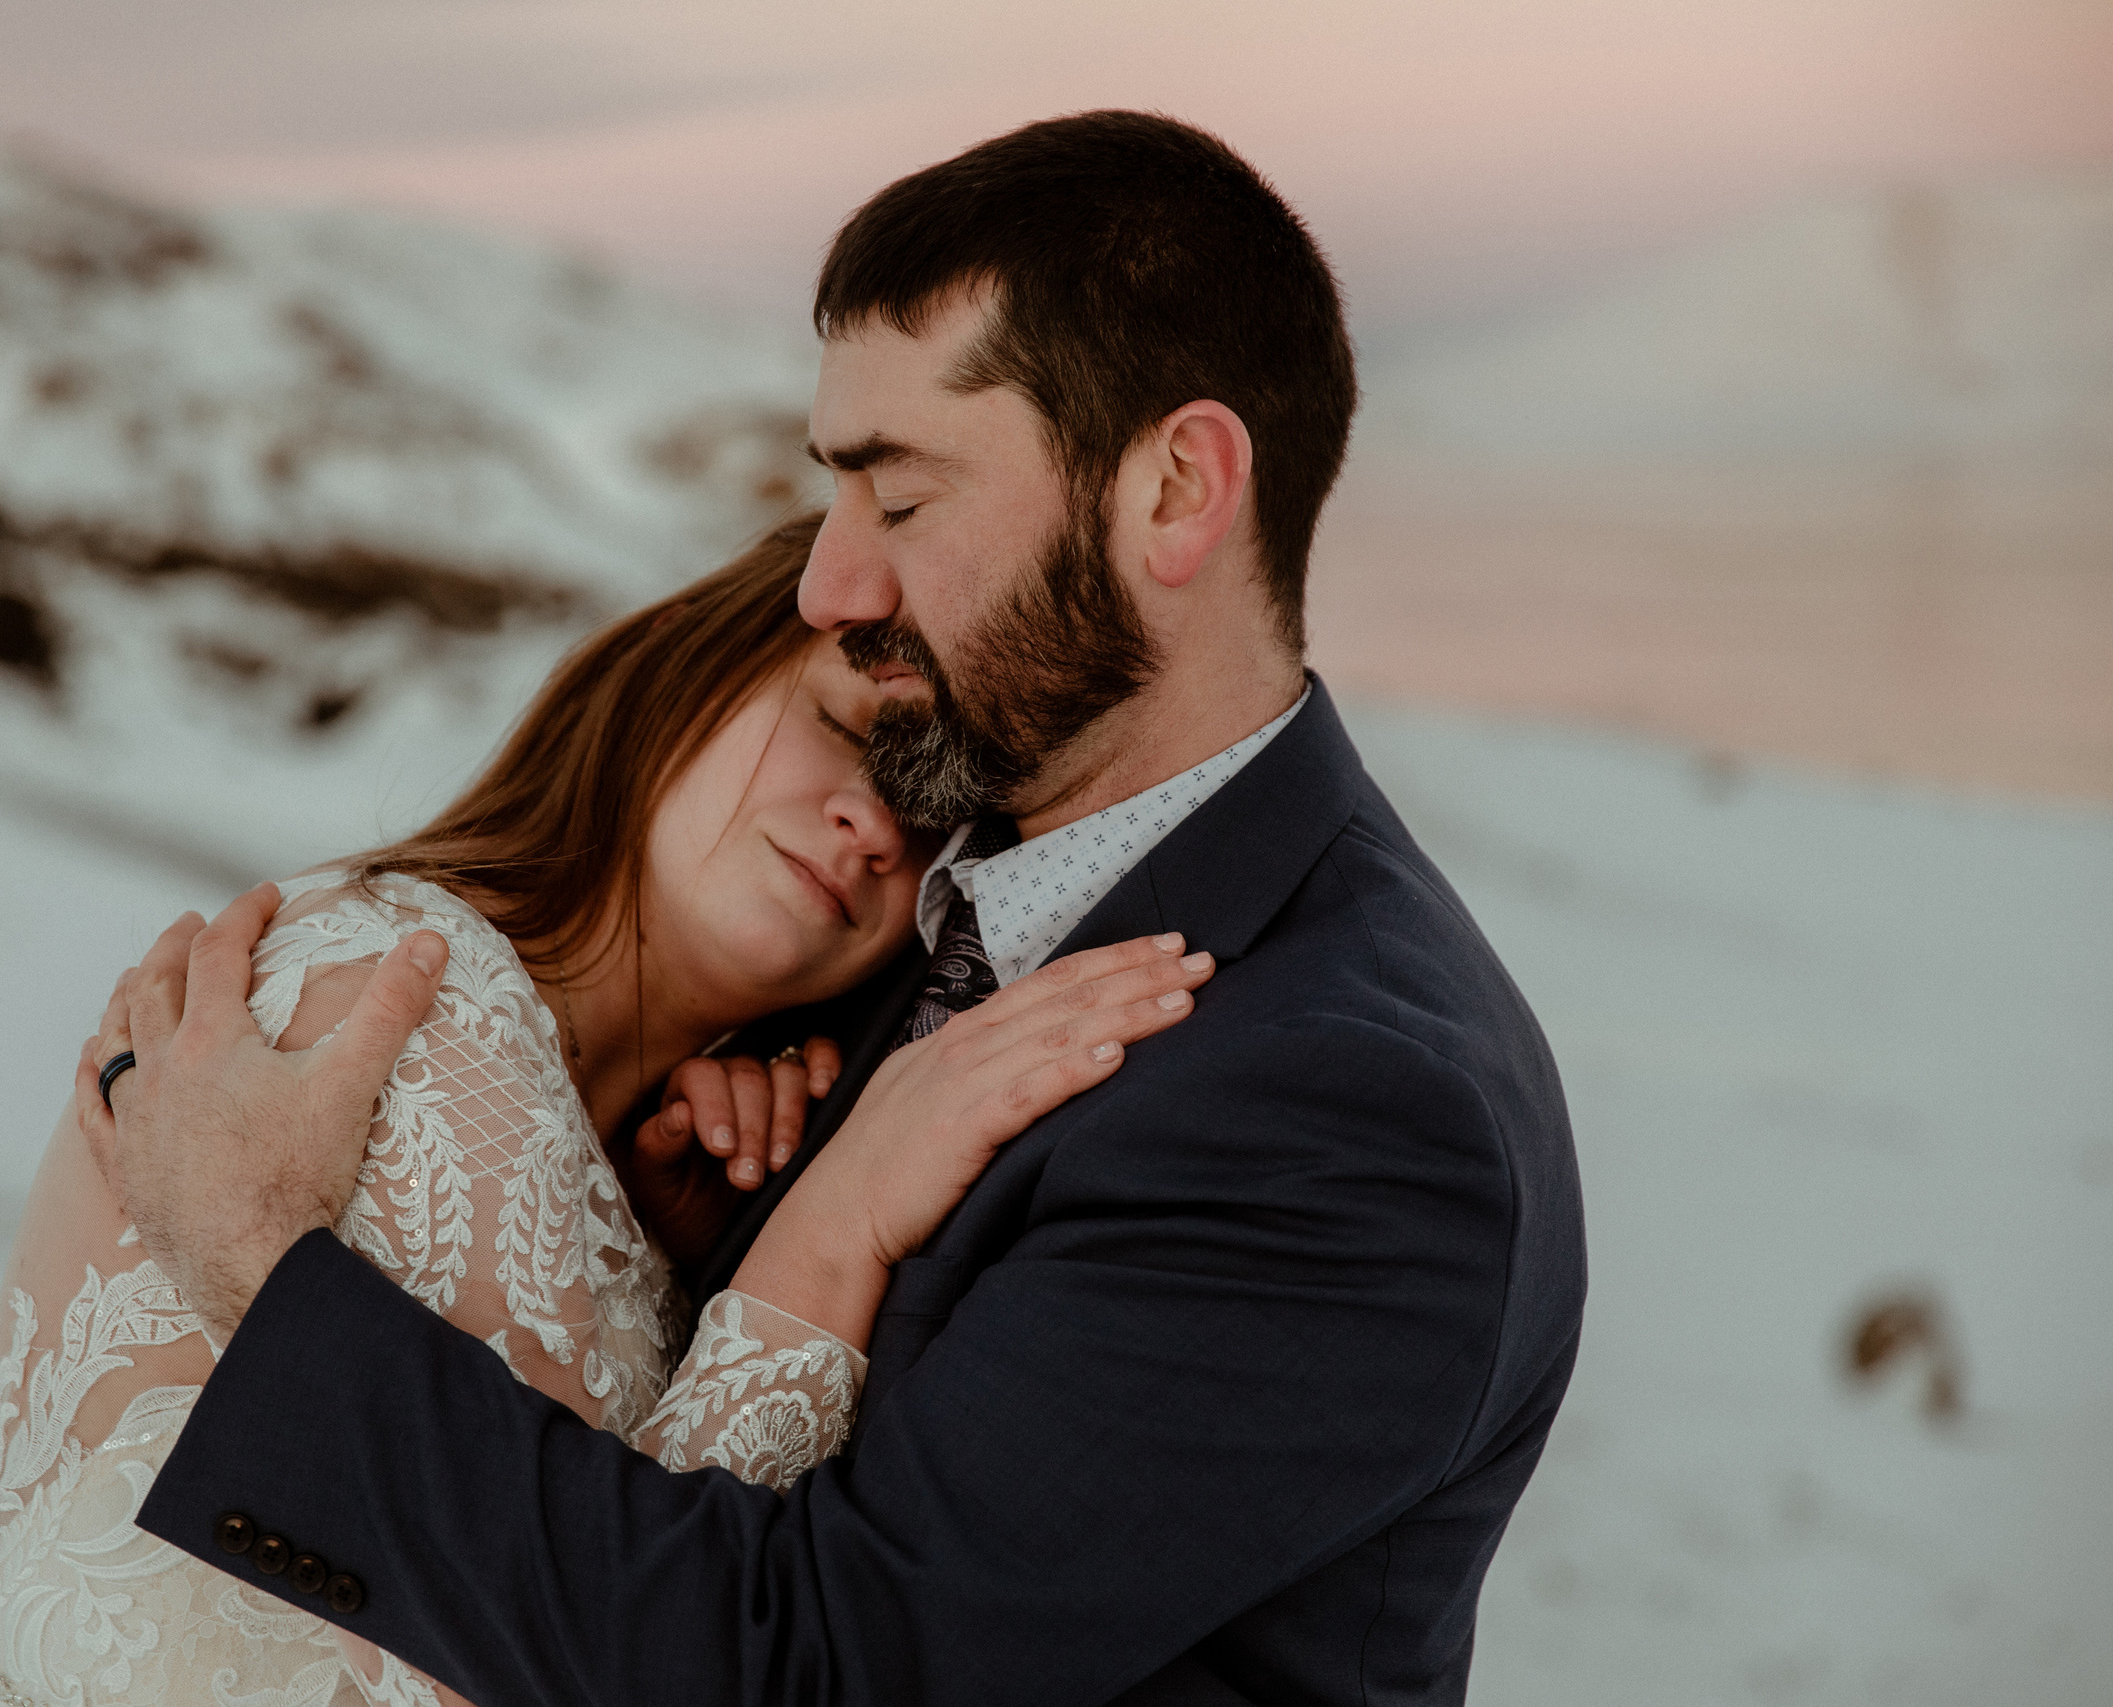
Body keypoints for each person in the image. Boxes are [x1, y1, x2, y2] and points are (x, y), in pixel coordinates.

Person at [94, 111, 1586, 1706]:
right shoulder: (937, 899)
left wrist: (263, 1257)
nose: (828, 586)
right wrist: (677, 1256)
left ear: (1175, 489)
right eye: (835, 494)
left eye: (904, 500)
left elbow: (810, 1667)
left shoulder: (1353, 1106)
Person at [0, 514, 1211, 1706]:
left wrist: (678, 1271)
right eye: (846, 729)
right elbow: (555, 1660)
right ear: (683, 675)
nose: (877, 825)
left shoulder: (578, 1112)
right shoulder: (409, 1005)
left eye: (935, 822)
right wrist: (829, 1234)